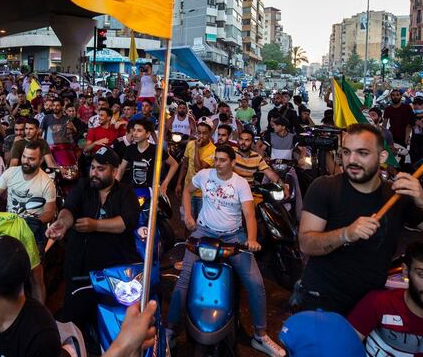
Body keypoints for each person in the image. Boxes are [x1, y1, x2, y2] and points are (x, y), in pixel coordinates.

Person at [296, 124, 423, 315]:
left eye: (362, 153)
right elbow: (306, 244)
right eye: (346, 152)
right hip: (323, 299)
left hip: (371, 303)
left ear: (382, 157)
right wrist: (346, 234)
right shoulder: (324, 188)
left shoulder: (397, 197)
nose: (351, 160)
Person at [167, 145, 285, 357]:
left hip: (233, 235)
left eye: (222, 160)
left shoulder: (240, 184)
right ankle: (169, 331)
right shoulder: (204, 175)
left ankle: (261, 335)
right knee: (184, 279)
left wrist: (250, 239)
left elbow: (249, 214)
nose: (217, 163)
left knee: (255, 283)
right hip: (203, 231)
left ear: (232, 162)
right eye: (216, 159)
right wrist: (187, 215)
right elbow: (187, 190)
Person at [46, 147, 141, 332]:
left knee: (116, 322)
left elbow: (127, 222)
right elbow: (69, 209)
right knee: (72, 323)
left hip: (114, 270)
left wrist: (95, 225)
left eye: (100, 169)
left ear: (114, 171)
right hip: (81, 269)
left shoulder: (125, 192)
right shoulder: (83, 186)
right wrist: (62, 224)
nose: (94, 173)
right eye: (93, 167)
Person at [0, 141, 56, 256]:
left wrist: (34, 222)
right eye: (24, 157)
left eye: (31, 159)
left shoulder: (47, 183)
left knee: (34, 266)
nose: (26, 161)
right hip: (9, 226)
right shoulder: (10, 173)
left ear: (40, 161)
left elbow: (50, 212)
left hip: (32, 230)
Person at [116, 119, 178, 190]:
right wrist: (114, 186)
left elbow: (174, 164)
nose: (135, 133)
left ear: (148, 134)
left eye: (139, 131)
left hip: (151, 191)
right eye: (134, 130)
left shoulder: (156, 150)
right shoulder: (130, 149)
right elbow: (121, 169)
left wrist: (165, 184)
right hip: (133, 191)